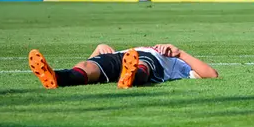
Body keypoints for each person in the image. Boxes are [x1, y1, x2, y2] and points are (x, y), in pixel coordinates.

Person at [29, 43, 218, 90]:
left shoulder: (179, 64)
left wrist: (180, 53)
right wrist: (99, 50)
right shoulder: (131, 54)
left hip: (153, 61)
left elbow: (212, 74)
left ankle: (130, 76)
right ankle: (57, 77)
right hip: (123, 56)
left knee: (144, 64)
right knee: (88, 65)